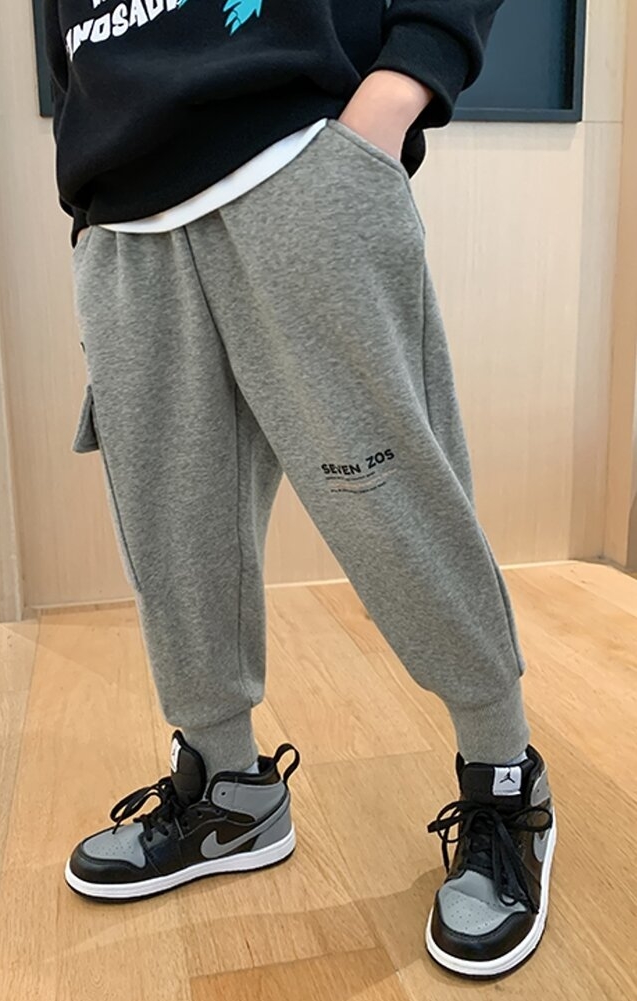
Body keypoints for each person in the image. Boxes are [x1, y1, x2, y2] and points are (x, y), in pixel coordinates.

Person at [44, 0, 556, 978]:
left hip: (300, 163)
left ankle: (503, 777)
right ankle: (230, 790)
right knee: (172, 529)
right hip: (124, 214)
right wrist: (85, 174)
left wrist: (396, 94)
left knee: (395, 508)